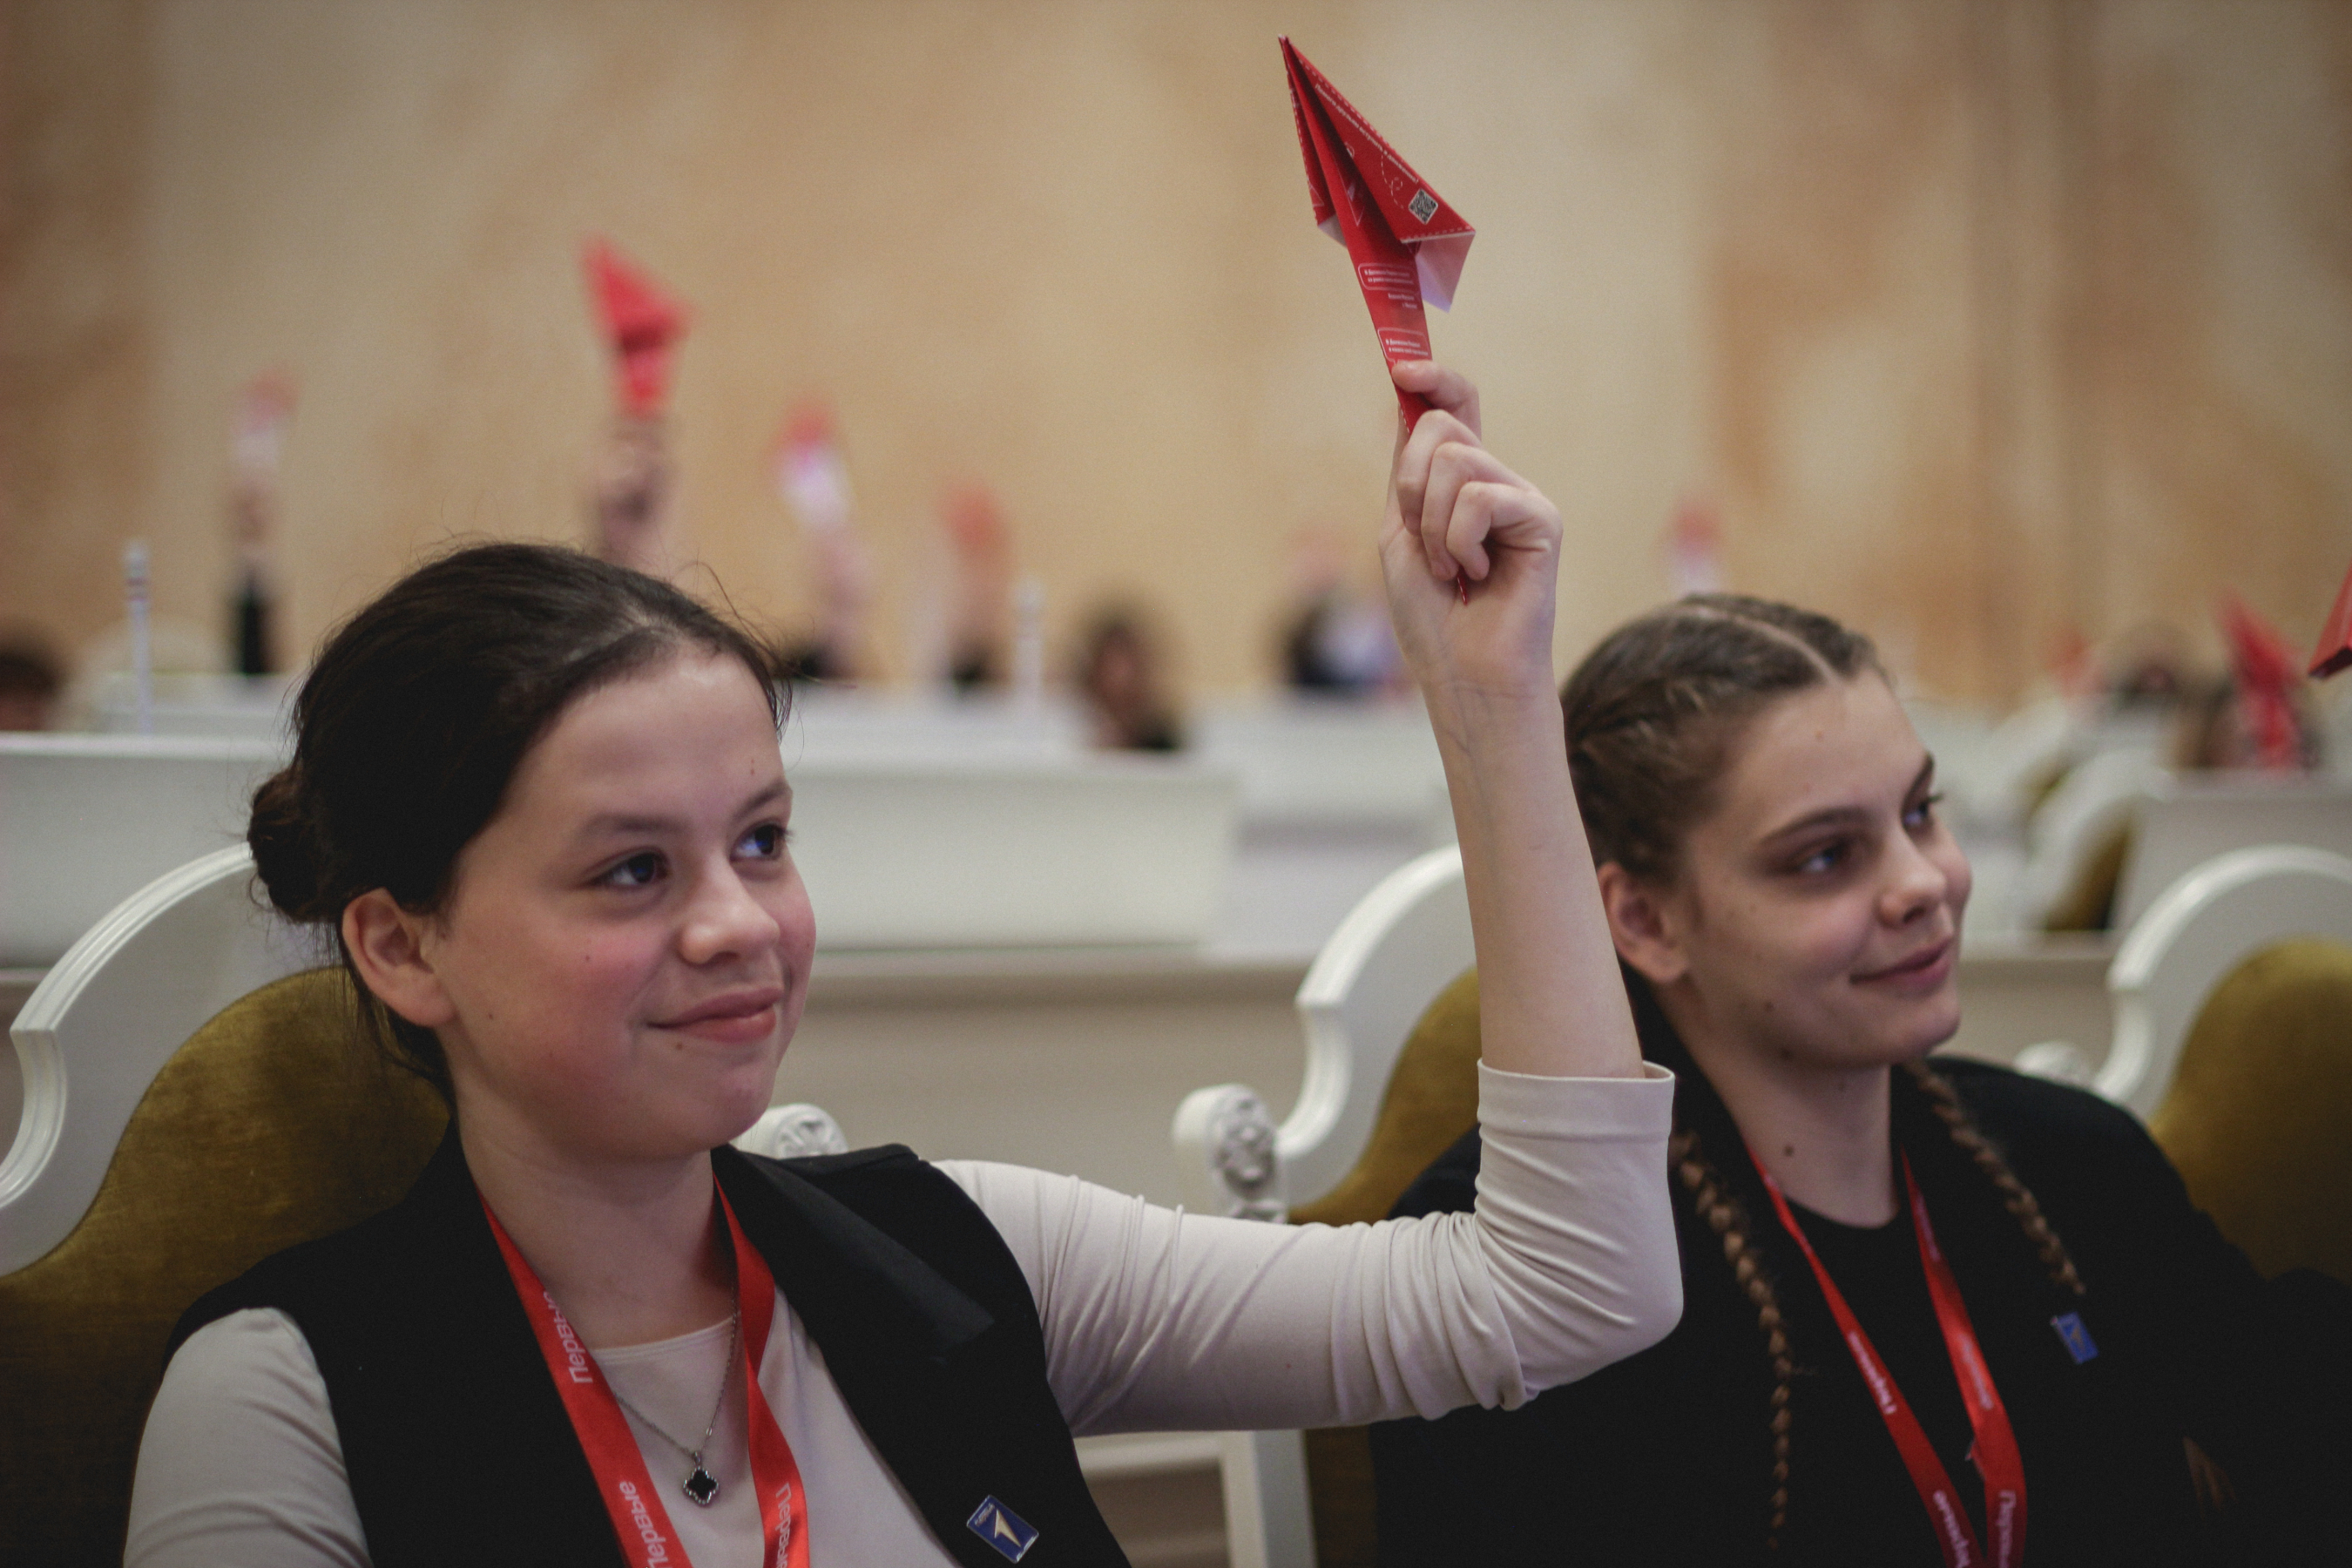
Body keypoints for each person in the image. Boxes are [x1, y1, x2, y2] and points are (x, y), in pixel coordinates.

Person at [125, 362, 1683, 1567]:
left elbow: (1563, 1295)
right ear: (403, 947)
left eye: (761, 841)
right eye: (630, 871)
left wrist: (1491, 706)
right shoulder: (289, 1399)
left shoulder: (946, 1254)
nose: (739, 923)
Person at [1370, 595, 2352, 1566]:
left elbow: (2304, 1436)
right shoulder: (1525, 1273)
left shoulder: (2075, 1162)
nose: (1923, 881)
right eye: (1827, 856)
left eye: (1921, 812)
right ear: (1646, 921)